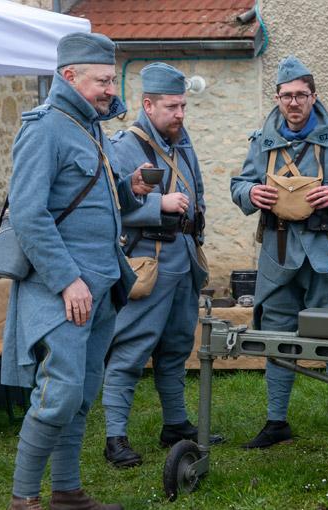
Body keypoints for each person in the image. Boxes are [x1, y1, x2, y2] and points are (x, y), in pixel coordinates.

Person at [1, 32, 155, 510]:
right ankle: (23, 500)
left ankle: (66, 492)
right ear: (70, 76)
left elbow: (95, 200)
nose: (113, 88)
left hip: (101, 285)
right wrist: (68, 279)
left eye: (112, 79)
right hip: (63, 287)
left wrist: (129, 189)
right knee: (59, 394)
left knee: (83, 394)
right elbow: (28, 215)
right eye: (103, 80)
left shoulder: (88, 126)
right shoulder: (46, 126)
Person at [229, 55, 328, 455]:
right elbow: (239, 184)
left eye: (300, 95)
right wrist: (250, 194)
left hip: (325, 253)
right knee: (276, 338)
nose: (293, 103)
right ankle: (277, 421)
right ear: (277, 98)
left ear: (314, 97)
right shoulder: (262, 140)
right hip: (278, 255)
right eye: (286, 96)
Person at [102, 62, 219, 469]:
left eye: (183, 105)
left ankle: (175, 424)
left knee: (175, 348)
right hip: (148, 261)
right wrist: (157, 205)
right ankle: (114, 437)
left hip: (183, 259)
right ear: (148, 105)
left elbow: (198, 190)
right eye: (172, 107)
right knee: (130, 350)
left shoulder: (181, 142)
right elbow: (111, 209)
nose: (180, 114)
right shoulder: (123, 147)